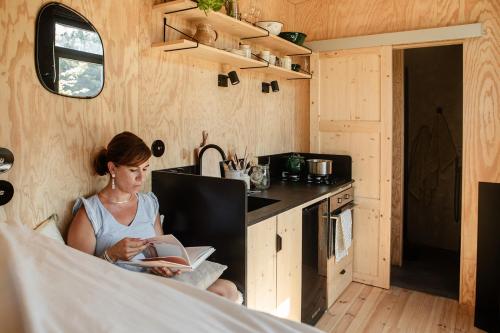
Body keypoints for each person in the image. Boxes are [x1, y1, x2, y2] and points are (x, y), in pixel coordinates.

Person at [67, 131, 238, 302]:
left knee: (227, 289)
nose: (141, 178)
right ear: (113, 169)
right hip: (121, 290)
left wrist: (164, 265)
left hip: (155, 282)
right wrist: (111, 254)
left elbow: (160, 249)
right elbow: (78, 276)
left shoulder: (148, 203)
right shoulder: (90, 213)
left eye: (145, 169)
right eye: (133, 170)